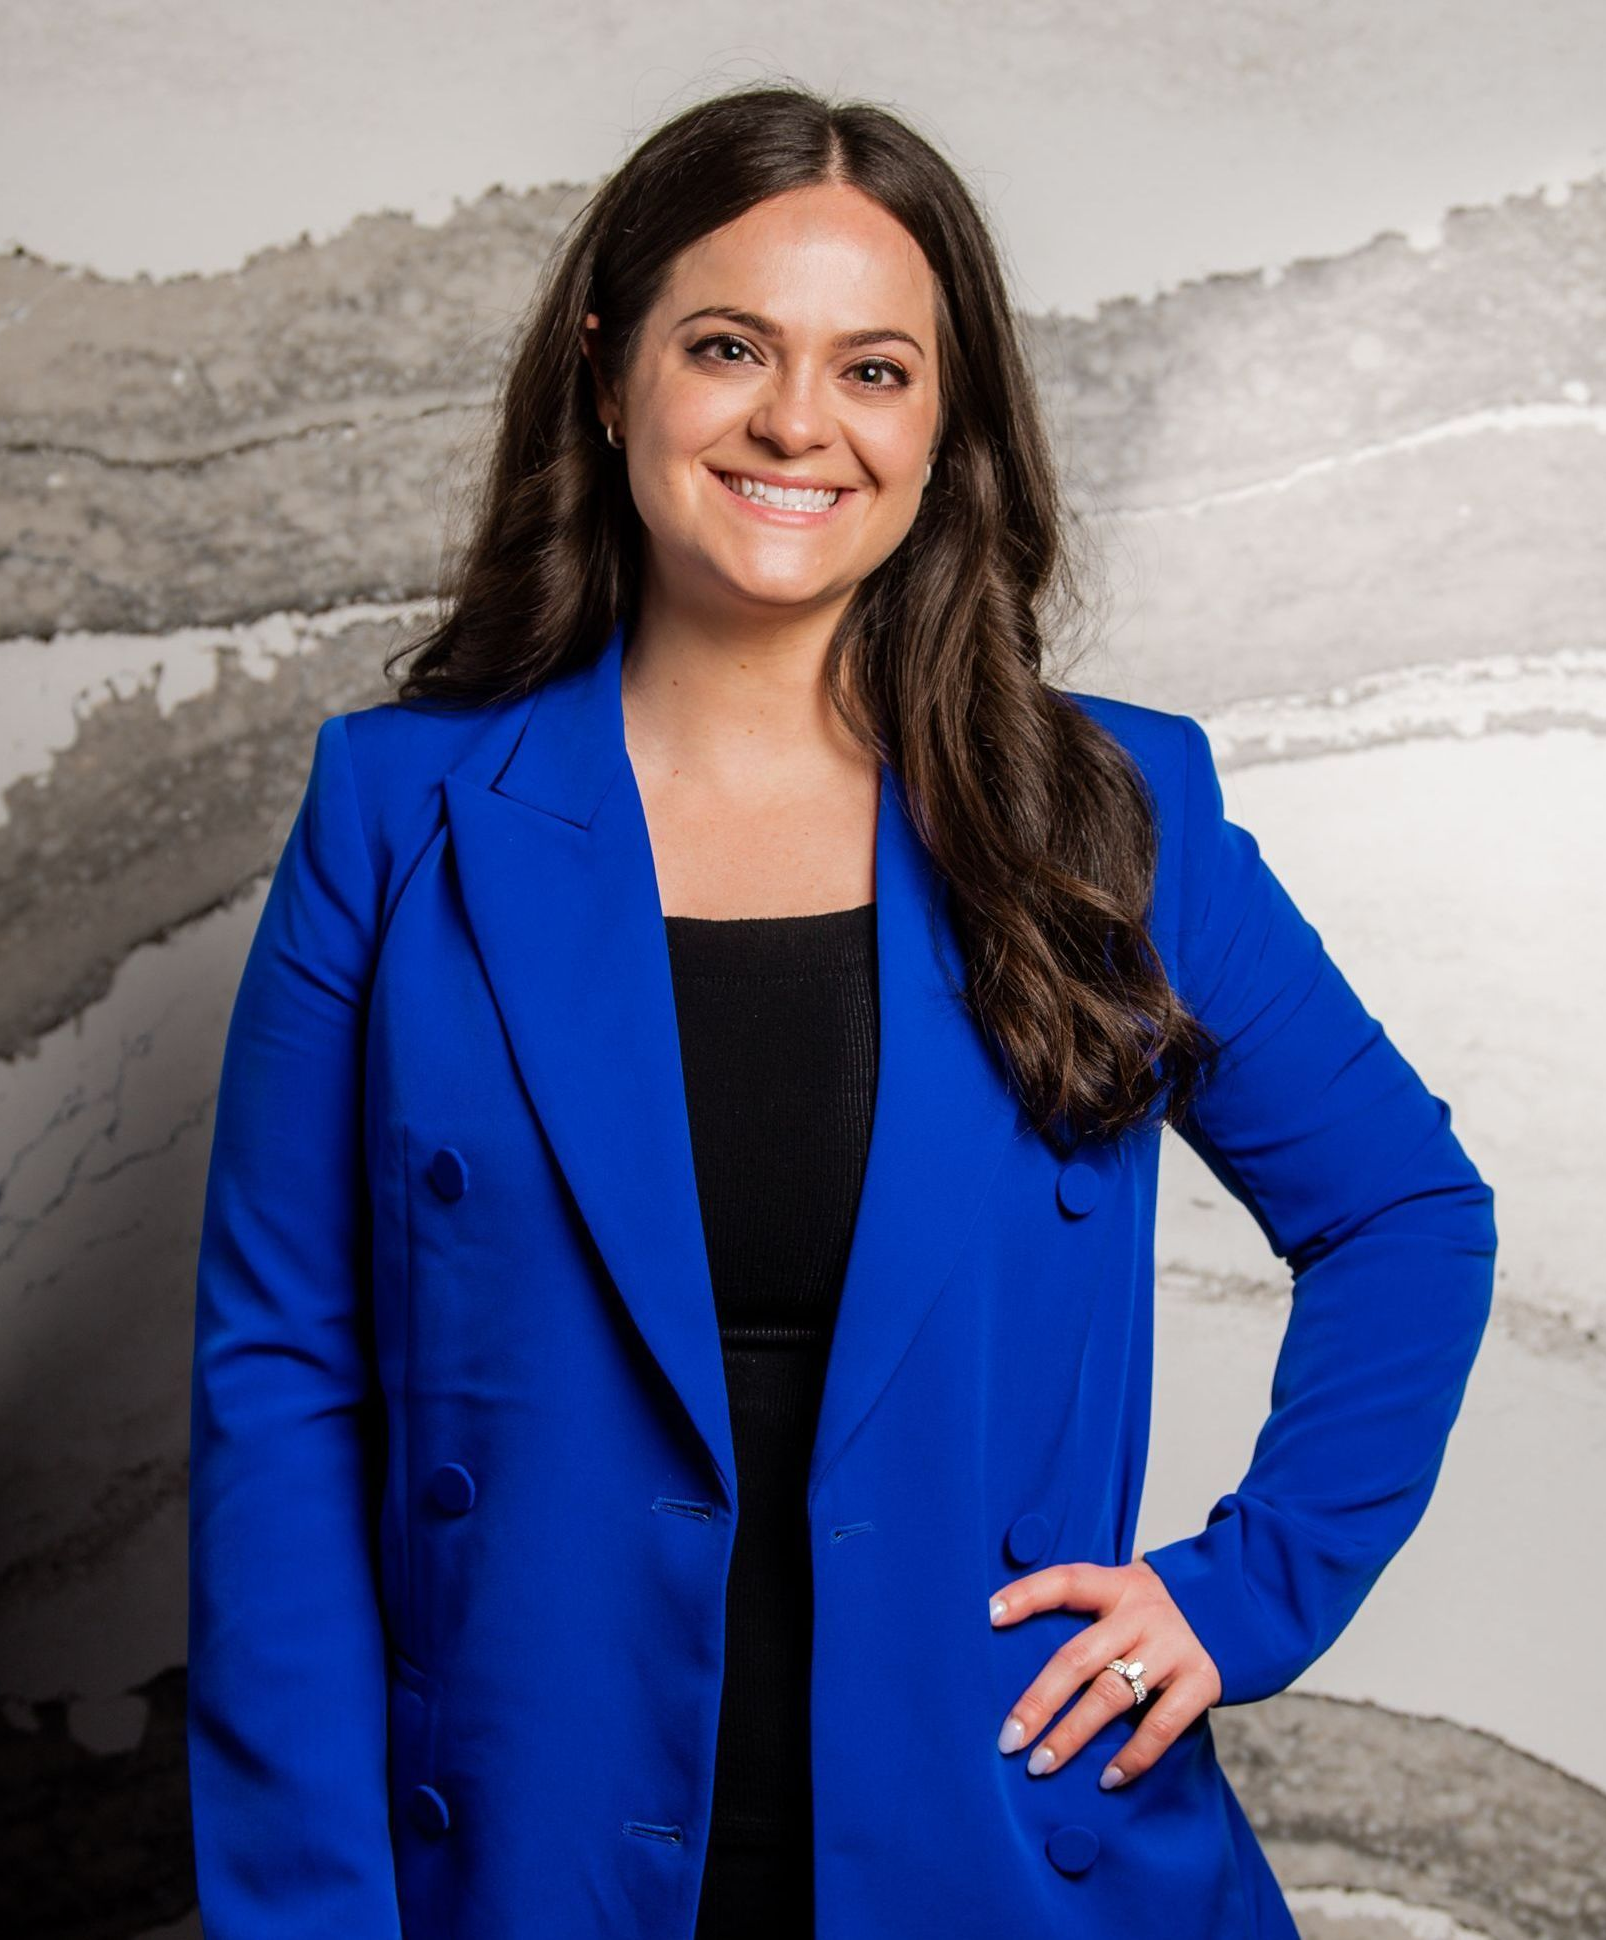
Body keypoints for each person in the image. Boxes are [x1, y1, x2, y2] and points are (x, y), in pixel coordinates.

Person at [186, 82, 1498, 1940]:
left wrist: (1239, 1592)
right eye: (729, 346)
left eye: (874, 368)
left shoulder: (1112, 817)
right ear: (606, 363)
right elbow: (284, 1384)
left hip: (1009, 1846)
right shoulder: (396, 818)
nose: (797, 420)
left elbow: (1406, 1216)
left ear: (944, 422)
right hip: (512, 1856)